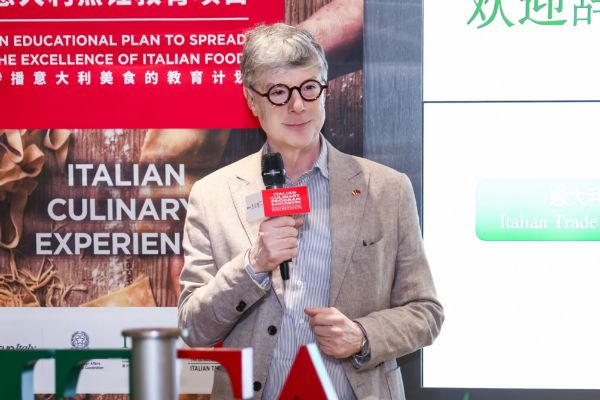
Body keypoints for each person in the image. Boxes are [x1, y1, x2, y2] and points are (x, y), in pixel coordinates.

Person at [178, 23, 443, 400]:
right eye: (278, 92)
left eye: (308, 88)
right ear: (252, 100)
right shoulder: (213, 195)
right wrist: (254, 264)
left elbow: (426, 313)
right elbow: (193, 327)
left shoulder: (387, 189)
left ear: (324, 89)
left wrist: (362, 335)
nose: (298, 105)